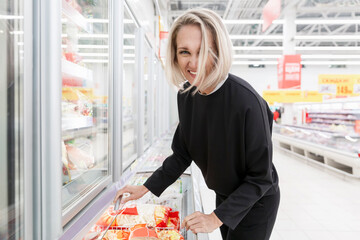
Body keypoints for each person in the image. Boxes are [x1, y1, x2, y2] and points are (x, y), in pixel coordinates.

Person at [114, 8, 280, 240]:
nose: (193, 63)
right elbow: (182, 154)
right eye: (184, 52)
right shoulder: (186, 95)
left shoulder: (247, 102)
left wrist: (214, 218)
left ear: (218, 51)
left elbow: (260, 178)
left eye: (202, 52)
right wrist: (146, 187)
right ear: (174, 55)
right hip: (224, 194)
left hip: (256, 201)